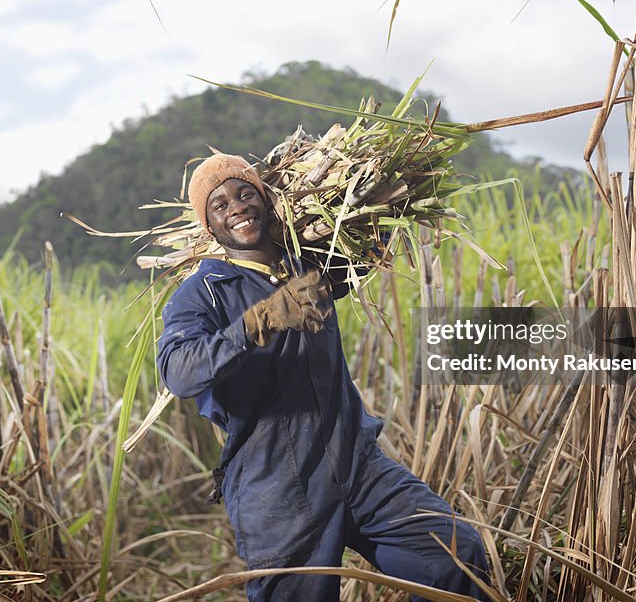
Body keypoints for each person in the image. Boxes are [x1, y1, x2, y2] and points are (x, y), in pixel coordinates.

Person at [157, 153, 490, 602]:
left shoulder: (311, 264)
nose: (236, 206)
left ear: (267, 201)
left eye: (245, 193)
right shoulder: (203, 293)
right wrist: (261, 321)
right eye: (219, 205)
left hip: (357, 462)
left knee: (455, 556)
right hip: (278, 487)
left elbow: (369, 248)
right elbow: (179, 371)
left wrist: (378, 199)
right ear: (210, 226)